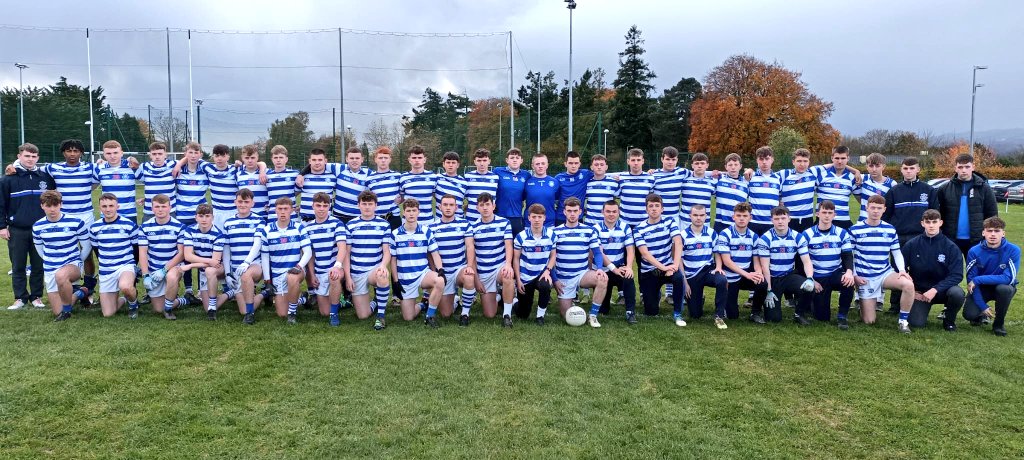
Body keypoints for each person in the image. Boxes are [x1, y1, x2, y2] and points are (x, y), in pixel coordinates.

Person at [36, 139, 100, 306]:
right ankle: (69, 283)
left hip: (85, 215)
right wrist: (13, 165)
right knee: (61, 247)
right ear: (63, 153)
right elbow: (34, 168)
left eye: (76, 151)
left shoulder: (90, 168)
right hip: (62, 215)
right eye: (69, 151)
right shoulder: (53, 168)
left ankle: (89, 289)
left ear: (81, 153)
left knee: (88, 253)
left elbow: (107, 172)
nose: (72, 154)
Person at [849, 195, 915, 333]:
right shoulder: (855, 229)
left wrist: (902, 270)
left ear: (884, 209)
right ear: (866, 208)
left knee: (908, 284)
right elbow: (850, 256)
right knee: (869, 321)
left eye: (879, 208)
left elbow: (896, 253)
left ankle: (903, 321)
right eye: (872, 207)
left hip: (885, 273)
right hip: (865, 277)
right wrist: (855, 275)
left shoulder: (890, 229)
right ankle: (864, 304)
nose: (875, 211)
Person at [1, 143, 55, 309]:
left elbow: (53, 202)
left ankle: (36, 296)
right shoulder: (8, 179)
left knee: (39, 265)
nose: (30, 159)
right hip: (18, 229)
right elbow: (1, 204)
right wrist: (2, 226)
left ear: (37, 158)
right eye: (27, 156)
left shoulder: (45, 178)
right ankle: (20, 298)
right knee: (18, 265)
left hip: (42, 229)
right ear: (19, 157)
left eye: (33, 156)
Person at [240, 198, 311, 324]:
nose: (283, 212)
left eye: (286, 209)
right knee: (281, 313)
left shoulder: (299, 228)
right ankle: (302, 299)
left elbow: (308, 252)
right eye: (280, 209)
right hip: (277, 275)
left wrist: (299, 266)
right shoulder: (267, 230)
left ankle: (292, 313)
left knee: (292, 278)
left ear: (292, 210)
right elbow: (265, 257)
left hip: (295, 270)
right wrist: (267, 280)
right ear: (275, 210)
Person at [883, 156, 938, 313]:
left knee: (918, 269)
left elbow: (935, 215)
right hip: (899, 237)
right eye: (905, 168)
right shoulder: (894, 191)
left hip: (921, 237)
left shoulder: (929, 190)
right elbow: (886, 217)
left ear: (918, 169)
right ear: (901, 170)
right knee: (897, 269)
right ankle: (895, 305)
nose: (908, 171)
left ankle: (916, 301)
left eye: (912, 168)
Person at [32, 190, 91, 321]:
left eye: (55, 205)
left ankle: (67, 313)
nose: (52, 209)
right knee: (57, 310)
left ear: (61, 204)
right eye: (48, 206)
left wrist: (78, 262)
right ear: (42, 206)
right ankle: (80, 292)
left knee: (61, 276)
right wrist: (51, 262)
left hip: (72, 265)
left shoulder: (76, 222)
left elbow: (86, 246)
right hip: (50, 267)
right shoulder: (37, 226)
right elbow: (40, 250)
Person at [901, 209, 965, 331]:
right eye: (928, 222)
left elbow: (957, 275)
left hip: (943, 291)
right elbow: (900, 269)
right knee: (916, 323)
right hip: (921, 294)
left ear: (940, 223)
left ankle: (949, 320)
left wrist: (935, 289)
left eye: (934, 222)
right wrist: (912, 291)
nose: (931, 225)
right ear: (922, 223)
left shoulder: (951, 247)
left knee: (957, 293)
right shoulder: (912, 244)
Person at [753, 206, 815, 325]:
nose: (780, 221)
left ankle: (799, 313)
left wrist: (810, 278)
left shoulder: (798, 236)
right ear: (772, 220)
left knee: (810, 288)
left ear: (789, 219)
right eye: (777, 218)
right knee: (774, 318)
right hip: (772, 277)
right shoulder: (765, 239)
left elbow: (806, 261)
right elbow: (765, 267)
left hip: (788, 276)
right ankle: (756, 310)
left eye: (783, 218)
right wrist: (769, 289)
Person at [552, 198, 608, 327]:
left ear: (580, 212)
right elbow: (549, 259)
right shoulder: (555, 232)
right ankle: (571, 302)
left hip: (582, 274)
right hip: (564, 278)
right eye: (569, 211)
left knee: (602, 279)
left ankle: (593, 316)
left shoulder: (589, 230)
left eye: (575, 211)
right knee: (566, 315)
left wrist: (599, 268)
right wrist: (555, 279)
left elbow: (597, 252)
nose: (572, 214)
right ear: (564, 212)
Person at [391, 198, 445, 327]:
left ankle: (430, 316)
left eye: (414, 210)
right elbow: (393, 260)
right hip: (405, 279)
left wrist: (440, 270)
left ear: (418, 212)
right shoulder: (395, 234)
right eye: (408, 211)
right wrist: (395, 281)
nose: (411, 213)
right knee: (408, 318)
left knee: (440, 280)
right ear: (403, 213)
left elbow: (435, 253)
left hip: (422, 274)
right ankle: (422, 305)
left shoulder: (426, 231)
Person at [344, 190, 393, 330]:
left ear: (375, 206)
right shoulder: (351, 225)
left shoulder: (384, 224)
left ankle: (381, 316)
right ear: (358, 205)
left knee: (383, 275)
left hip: (374, 270)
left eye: (370, 204)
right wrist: (348, 278)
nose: (367, 207)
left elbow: (386, 251)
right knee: (363, 316)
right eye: (364, 204)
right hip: (357, 272)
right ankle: (375, 302)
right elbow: (346, 254)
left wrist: (383, 265)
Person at [802, 200, 856, 329]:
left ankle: (842, 317)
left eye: (830, 213)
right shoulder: (807, 234)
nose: (827, 215)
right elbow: (802, 261)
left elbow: (847, 255)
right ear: (817, 214)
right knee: (822, 318)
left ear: (834, 215)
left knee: (848, 282)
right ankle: (811, 303)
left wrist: (849, 271)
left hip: (834, 273)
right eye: (824, 212)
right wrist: (812, 280)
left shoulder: (842, 233)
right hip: (817, 276)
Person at [963, 216, 1019, 336]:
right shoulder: (974, 251)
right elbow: (971, 282)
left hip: (1002, 286)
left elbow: (1008, 278)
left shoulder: (1013, 250)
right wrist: (982, 306)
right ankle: (980, 315)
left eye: (997, 231)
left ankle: (998, 325)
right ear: (983, 232)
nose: (993, 234)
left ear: (1003, 233)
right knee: (969, 314)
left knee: (1004, 289)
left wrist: (978, 279)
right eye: (989, 231)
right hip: (982, 288)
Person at [634, 194, 685, 324]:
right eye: (651, 206)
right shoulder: (638, 229)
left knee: (678, 278)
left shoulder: (670, 221)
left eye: (657, 206)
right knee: (651, 312)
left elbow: (678, 243)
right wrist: (664, 267)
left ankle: (677, 313)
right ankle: (655, 294)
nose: (654, 209)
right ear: (646, 210)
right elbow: (645, 254)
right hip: (649, 271)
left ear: (662, 209)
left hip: (668, 268)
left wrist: (673, 265)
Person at [138, 194, 190, 320]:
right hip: (153, 269)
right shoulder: (145, 227)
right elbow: (143, 253)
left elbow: (181, 253)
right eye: (157, 206)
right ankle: (183, 300)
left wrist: (164, 270)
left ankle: (168, 310)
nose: (160, 209)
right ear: (152, 208)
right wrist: (145, 275)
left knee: (171, 276)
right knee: (157, 309)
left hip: (172, 267)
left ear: (170, 208)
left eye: (163, 206)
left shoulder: (180, 227)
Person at [468, 192, 516, 326]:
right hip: (484, 272)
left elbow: (508, 245)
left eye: (488, 204)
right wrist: (476, 280)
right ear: (477, 208)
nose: (485, 208)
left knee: (507, 276)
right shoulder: (472, 227)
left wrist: (507, 264)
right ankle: (500, 295)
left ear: (493, 206)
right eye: (481, 205)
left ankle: (507, 315)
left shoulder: (504, 222)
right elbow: (472, 256)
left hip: (499, 267)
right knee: (489, 314)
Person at [715, 202, 768, 324]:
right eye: (738, 215)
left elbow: (756, 260)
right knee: (733, 316)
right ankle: (727, 304)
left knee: (762, 282)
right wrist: (748, 275)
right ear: (733, 217)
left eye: (745, 216)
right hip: (731, 275)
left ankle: (755, 312)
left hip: (745, 275)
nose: (741, 218)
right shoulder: (725, 234)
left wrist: (758, 273)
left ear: (750, 217)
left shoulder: (754, 236)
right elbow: (727, 261)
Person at [936, 153, 998, 256]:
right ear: (955, 168)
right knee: (950, 271)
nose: (963, 170)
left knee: (976, 271)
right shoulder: (944, 189)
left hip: (976, 240)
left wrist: (990, 235)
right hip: (950, 239)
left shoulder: (984, 188)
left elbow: (992, 215)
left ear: (973, 167)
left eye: (967, 167)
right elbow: (937, 214)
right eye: (960, 167)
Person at [90, 193, 140, 318]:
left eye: (111, 206)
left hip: (125, 266)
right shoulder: (94, 228)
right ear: (100, 208)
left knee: (125, 286)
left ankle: (133, 305)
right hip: (106, 271)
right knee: (108, 314)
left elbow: (136, 248)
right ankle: (124, 299)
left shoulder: (129, 225)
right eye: (104, 206)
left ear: (117, 206)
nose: (108, 209)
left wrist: (133, 268)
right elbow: (97, 251)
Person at [224, 189, 270, 324]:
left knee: (246, 275)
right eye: (240, 201)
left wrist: (246, 262)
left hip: (253, 264)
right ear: (235, 202)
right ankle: (264, 294)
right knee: (242, 310)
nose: (243, 204)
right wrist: (227, 273)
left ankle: (250, 315)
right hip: (235, 267)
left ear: (252, 203)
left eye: (246, 202)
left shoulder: (259, 220)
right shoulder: (228, 222)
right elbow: (226, 249)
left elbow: (257, 244)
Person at [430, 194, 476, 325]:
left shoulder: (465, 224)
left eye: (451, 205)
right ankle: (455, 300)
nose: (448, 208)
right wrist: (435, 272)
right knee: (446, 314)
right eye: (445, 205)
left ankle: (465, 314)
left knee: (469, 276)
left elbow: (470, 246)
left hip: (458, 269)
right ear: (439, 207)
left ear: (456, 207)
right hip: (443, 272)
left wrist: (469, 266)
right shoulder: (432, 228)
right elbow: (431, 254)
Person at [681, 204, 729, 329]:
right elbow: (679, 260)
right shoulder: (682, 235)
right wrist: (685, 283)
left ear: (706, 216)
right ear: (690, 216)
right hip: (692, 275)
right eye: (695, 215)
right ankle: (699, 298)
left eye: (701, 215)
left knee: (722, 280)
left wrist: (718, 267)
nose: (698, 218)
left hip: (708, 271)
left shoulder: (712, 233)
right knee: (695, 315)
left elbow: (717, 252)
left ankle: (719, 315)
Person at [173, 142, 210, 300]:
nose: (193, 155)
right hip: (182, 217)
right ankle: (188, 289)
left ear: (201, 154)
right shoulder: (178, 169)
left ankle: (203, 289)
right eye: (190, 152)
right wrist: (179, 163)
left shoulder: (205, 169)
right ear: (185, 154)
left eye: (196, 152)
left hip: (200, 217)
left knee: (203, 252)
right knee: (185, 254)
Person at [304, 192, 347, 326]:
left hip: (335, 268)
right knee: (323, 312)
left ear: (329, 207)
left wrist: (337, 266)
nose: (321, 208)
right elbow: (310, 254)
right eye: (318, 205)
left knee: (333, 276)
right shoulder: (308, 227)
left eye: (325, 205)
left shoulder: (337, 223)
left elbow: (342, 248)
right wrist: (311, 275)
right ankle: (341, 301)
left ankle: (334, 315)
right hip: (319, 270)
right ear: (313, 206)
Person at [594, 199, 638, 324]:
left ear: (619, 212)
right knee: (603, 310)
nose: (611, 214)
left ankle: (630, 312)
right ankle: (602, 304)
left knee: (628, 276)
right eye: (608, 211)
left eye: (614, 211)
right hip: (603, 270)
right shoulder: (596, 229)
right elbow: (599, 253)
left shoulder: (625, 227)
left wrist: (629, 267)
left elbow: (630, 249)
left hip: (620, 267)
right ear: (602, 212)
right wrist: (613, 268)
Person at [183, 204, 230, 320]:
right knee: (205, 307)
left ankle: (212, 307)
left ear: (212, 218)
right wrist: (209, 261)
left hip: (221, 268)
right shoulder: (189, 231)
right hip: (206, 267)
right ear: (196, 217)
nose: (204, 219)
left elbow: (216, 262)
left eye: (207, 216)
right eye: (201, 216)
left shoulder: (219, 234)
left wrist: (191, 266)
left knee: (209, 271)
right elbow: (188, 256)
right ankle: (231, 293)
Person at [513, 204, 556, 325]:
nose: (537, 220)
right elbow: (515, 259)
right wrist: (518, 279)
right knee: (522, 315)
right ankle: (513, 300)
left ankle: (540, 317)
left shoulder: (551, 235)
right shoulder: (521, 237)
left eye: (539, 217)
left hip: (541, 273)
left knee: (545, 286)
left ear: (544, 218)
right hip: (525, 275)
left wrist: (548, 271)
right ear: (529, 218)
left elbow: (553, 255)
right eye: (534, 217)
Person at [812, 146, 860, 229]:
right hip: (822, 221)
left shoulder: (853, 178)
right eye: (837, 158)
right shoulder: (821, 175)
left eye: (843, 158)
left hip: (843, 221)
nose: (840, 161)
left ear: (848, 158)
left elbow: (861, 201)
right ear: (832, 158)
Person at [93, 140, 140, 222]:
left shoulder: (132, 166)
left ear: (121, 153)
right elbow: (90, 187)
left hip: (129, 214)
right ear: (104, 154)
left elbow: (150, 181)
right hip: (107, 214)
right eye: (108, 153)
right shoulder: (99, 168)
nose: (112, 156)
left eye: (115, 153)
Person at [777, 148, 818, 232]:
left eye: (805, 161)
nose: (802, 164)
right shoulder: (784, 174)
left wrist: (853, 171)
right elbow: (767, 177)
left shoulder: (813, 173)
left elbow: (834, 165)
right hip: (789, 219)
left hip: (807, 219)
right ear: (793, 162)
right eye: (799, 161)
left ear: (809, 162)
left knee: (806, 244)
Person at [203, 144, 242, 230]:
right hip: (216, 213)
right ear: (213, 157)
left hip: (233, 211)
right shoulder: (208, 168)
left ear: (228, 157)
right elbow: (190, 158)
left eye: (223, 155)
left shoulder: (236, 169)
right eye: (217, 156)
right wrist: (178, 166)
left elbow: (258, 164)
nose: (219, 158)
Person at [136, 142, 177, 222]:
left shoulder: (173, 165)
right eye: (154, 154)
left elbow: (190, 159)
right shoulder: (144, 167)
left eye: (160, 154)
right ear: (150, 155)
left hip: (169, 211)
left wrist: (179, 165)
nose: (157, 157)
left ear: (165, 155)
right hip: (149, 212)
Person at [493, 148, 530, 236]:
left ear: (521, 160)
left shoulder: (526, 175)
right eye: (512, 157)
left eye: (517, 158)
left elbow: (526, 194)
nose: (514, 160)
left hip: (517, 216)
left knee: (516, 246)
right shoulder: (498, 171)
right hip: (500, 215)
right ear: (507, 160)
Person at [397, 145, 438, 225]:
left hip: (427, 221)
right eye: (414, 158)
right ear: (409, 160)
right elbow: (400, 199)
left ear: (424, 160)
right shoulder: (403, 178)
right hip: (408, 222)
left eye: (419, 158)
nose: (417, 160)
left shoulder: (433, 177)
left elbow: (437, 197)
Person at [746, 146, 782, 236]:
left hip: (771, 222)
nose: (764, 162)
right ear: (757, 160)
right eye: (761, 159)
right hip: (753, 222)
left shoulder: (779, 178)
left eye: (767, 159)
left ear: (772, 159)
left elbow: (781, 200)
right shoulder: (750, 177)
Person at [364, 146, 402, 229]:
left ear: (390, 160)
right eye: (380, 158)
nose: (383, 160)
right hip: (376, 218)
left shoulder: (398, 176)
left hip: (394, 218)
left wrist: (401, 199)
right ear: (375, 160)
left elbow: (405, 194)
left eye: (386, 158)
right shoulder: (369, 179)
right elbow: (367, 199)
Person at [617, 149, 656, 230]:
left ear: (643, 161)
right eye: (633, 160)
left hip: (644, 222)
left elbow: (651, 198)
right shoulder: (621, 178)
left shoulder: (650, 178)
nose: (636, 163)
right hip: (625, 223)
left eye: (638, 160)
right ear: (628, 161)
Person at [554, 151, 594, 226]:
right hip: (561, 217)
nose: (573, 166)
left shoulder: (585, 174)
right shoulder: (558, 178)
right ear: (565, 164)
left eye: (576, 163)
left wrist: (618, 177)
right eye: (570, 163)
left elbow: (601, 174)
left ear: (579, 164)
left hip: (578, 217)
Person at [853, 152, 895, 222]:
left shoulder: (892, 184)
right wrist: (856, 171)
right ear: (867, 167)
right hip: (862, 223)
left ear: (883, 167)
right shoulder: (862, 178)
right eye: (871, 166)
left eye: (877, 166)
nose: (874, 169)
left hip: (881, 224)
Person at [713, 153, 749, 233]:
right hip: (720, 223)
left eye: (736, 164)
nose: (733, 167)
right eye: (730, 165)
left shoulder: (746, 182)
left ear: (740, 166)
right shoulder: (719, 180)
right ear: (725, 167)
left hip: (738, 224)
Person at [679, 153, 717, 227]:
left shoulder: (713, 182)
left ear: (707, 165)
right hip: (685, 222)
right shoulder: (684, 180)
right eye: (697, 163)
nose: (699, 166)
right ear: (692, 165)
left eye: (702, 163)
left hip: (704, 223)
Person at [463, 148, 500, 224]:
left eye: (484, 160)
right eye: (479, 161)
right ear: (475, 162)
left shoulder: (495, 178)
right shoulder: (467, 177)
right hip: (471, 220)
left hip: (489, 221)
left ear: (489, 161)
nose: (482, 163)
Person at [651, 146, 687, 223]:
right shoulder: (654, 175)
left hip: (675, 217)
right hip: (658, 217)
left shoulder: (682, 172)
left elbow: (698, 173)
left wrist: (716, 173)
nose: (670, 162)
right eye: (667, 159)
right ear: (662, 159)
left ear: (677, 160)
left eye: (673, 159)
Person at [584, 154, 621, 225]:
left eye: (602, 164)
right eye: (596, 164)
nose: (599, 167)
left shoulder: (613, 183)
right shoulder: (587, 183)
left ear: (606, 167)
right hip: (590, 223)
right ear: (591, 167)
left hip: (607, 224)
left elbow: (624, 198)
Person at [524, 153, 559, 227]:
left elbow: (557, 199)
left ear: (547, 165)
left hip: (549, 222)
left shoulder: (555, 182)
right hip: (530, 223)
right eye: (537, 164)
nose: (540, 166)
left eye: (543, 163)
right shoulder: (527, 182)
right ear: (532, 166)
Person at [265, 145, 300, 219]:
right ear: (272, 159)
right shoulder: (266, 175)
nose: (278, 160)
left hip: (291, 216)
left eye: (281, 157)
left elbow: (302, 190)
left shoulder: (295, 174)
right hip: (273, 215)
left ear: (286, 159)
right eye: (275, 157)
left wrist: (300, 206)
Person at [235, 144, 270, 220]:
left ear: (258, 157)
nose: (250, 160)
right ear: (242, 158)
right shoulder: (237, 173)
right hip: (245, 216)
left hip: (264, 216)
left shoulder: (267, 173)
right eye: (247, 158)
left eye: (253, 158)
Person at [433, 151, 467, 220]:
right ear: (443, 164)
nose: (450, 165)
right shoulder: (437, 179)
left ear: (458, 165)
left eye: (453, 163)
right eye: (448, 162)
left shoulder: (464, 182)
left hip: (459, 222)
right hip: (440, 221)